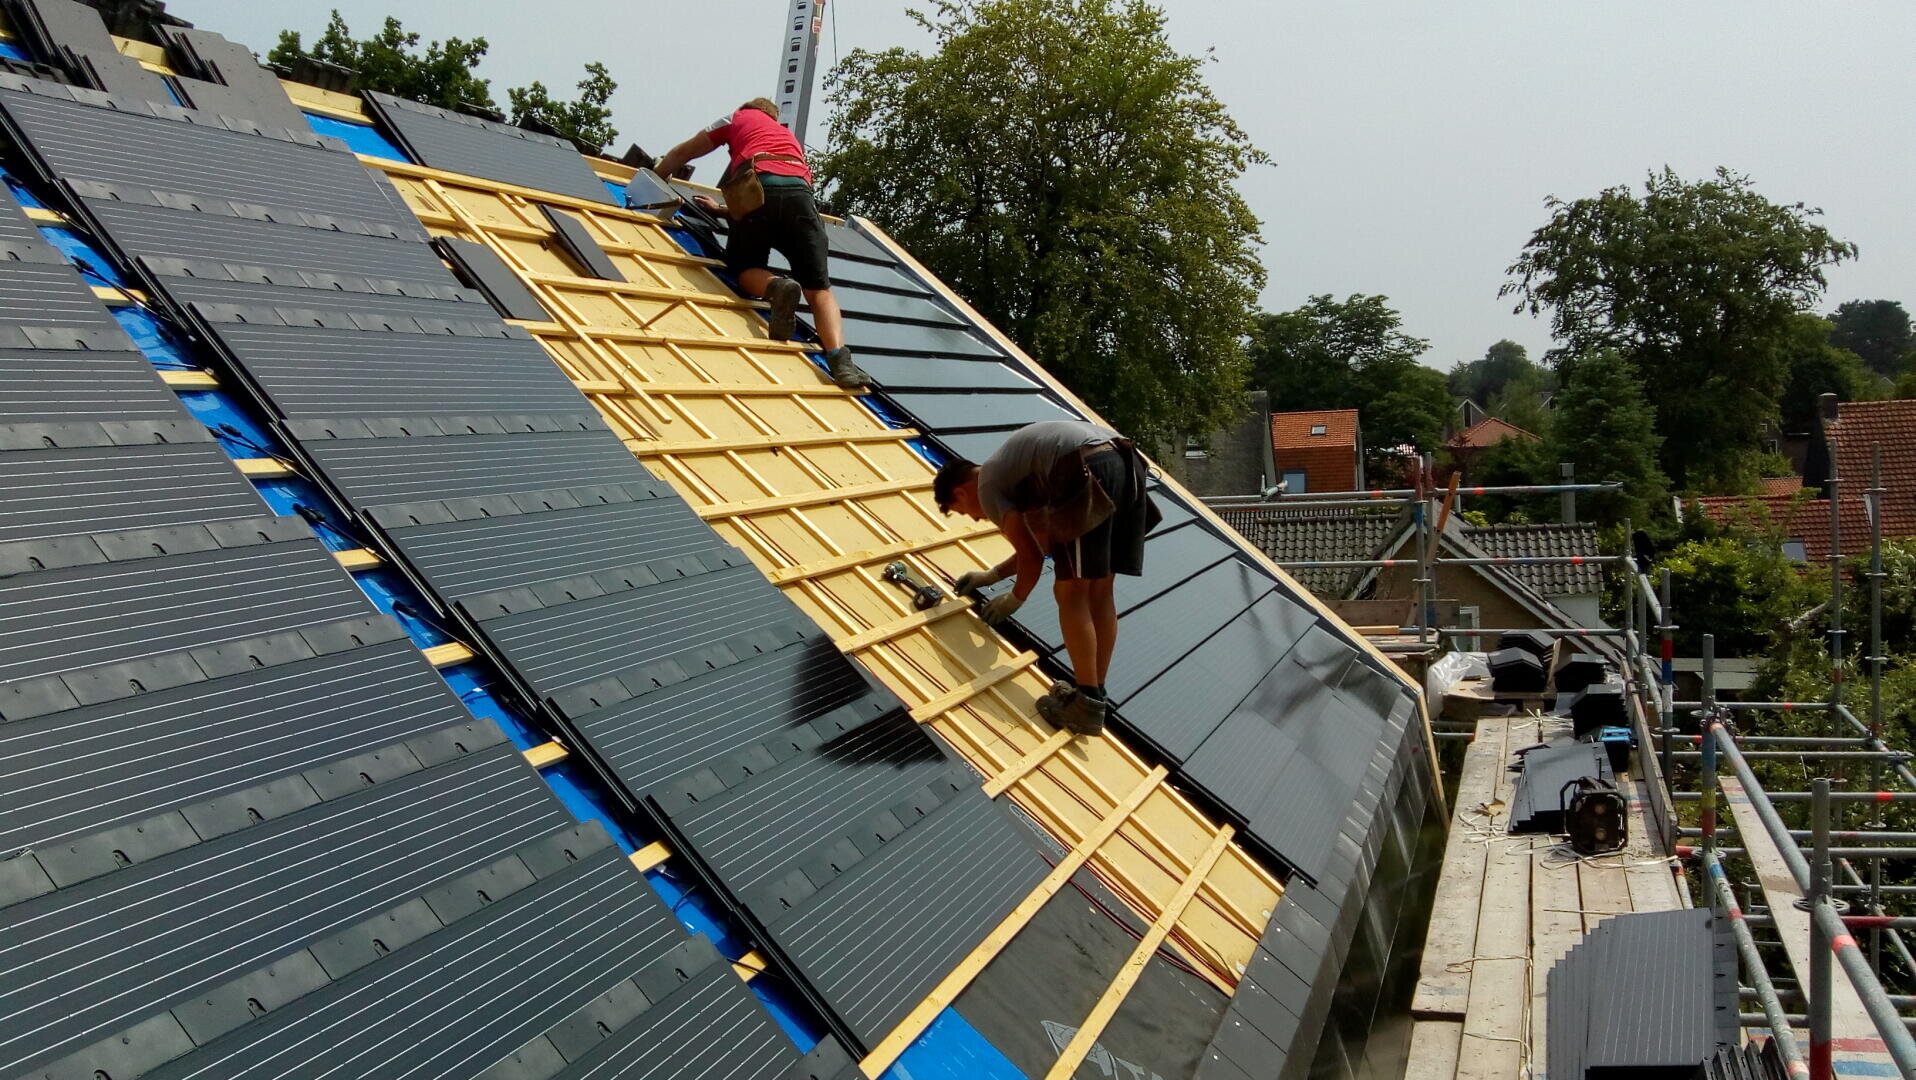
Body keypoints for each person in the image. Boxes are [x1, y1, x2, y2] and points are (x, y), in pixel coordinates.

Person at [934, 419, 1160, 736]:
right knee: (1100, 590)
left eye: (962, 510)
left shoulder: (988, 486)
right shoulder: (1019, 472)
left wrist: (1015, 599)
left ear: (960, 491)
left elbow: (1031, 557)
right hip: (1126, 463)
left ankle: (1086, 705)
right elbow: (1043, 544)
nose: (974, 517)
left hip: (1086, 468)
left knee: (1071, 592)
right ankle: (1092, 693)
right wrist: (991, 576)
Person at [653, 98, 870, 389]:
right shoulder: (786, 136)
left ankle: (776, 287)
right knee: (819, 290)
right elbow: (783, 193)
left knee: (744, 268)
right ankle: (841, 363)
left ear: (749, 109)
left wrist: (653, 177)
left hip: (759, 190)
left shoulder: (737, 117)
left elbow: (685, 152)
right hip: (801, 200)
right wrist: (722, 210)